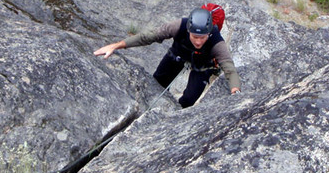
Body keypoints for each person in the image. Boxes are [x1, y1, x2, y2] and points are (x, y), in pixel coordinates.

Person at [94, 7, 241, 108]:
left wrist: (236, 91)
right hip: (178, 54)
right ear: (188, 30)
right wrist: (115, 46)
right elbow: (148, 37)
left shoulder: (216, 42)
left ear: (208, 34)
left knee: (189, 100)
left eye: (202, 38)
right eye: (195, 36)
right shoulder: (178, 26)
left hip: (203, 64)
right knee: (158, 82)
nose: (198, 41)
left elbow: (229, 69)